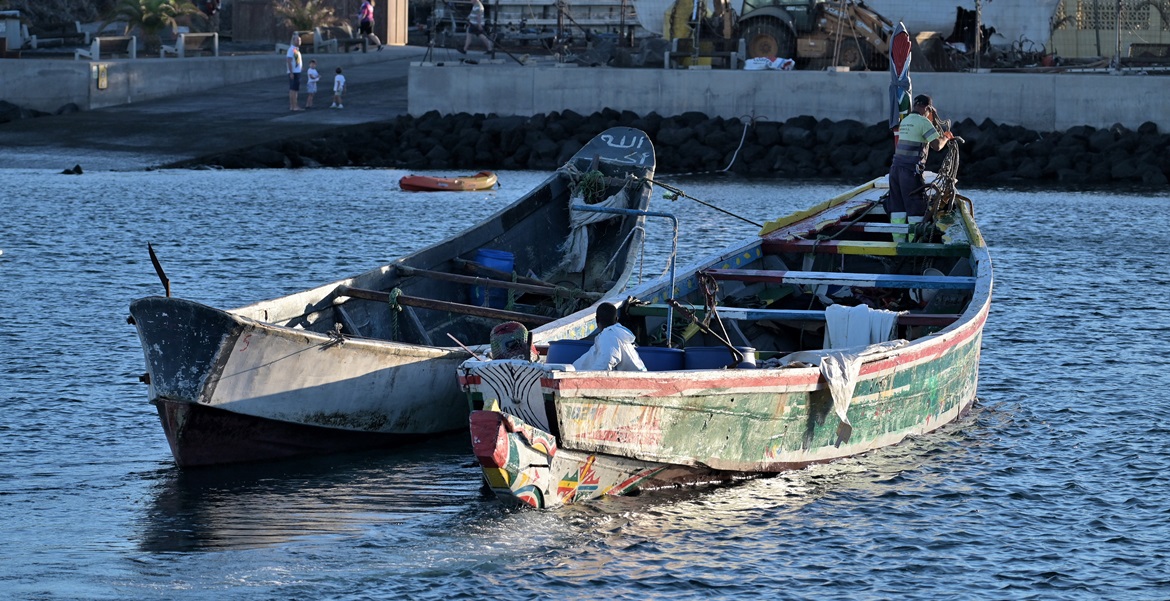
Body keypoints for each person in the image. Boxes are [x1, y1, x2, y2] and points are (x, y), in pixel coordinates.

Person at [886, 94, 953, 239]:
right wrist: (946, 137)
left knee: (898, 209)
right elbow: (937, 146)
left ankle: (898, 242)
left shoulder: (905, 121)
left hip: (895, 170)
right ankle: (913, 244)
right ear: (928, 108)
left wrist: (931, 118)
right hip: (910, 172)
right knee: (915, 208)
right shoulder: (924, 123)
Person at [571, 302, 646, 372]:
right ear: (616, 319)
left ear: (596, 320)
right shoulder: (620, 335)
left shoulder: (609, 336)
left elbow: (606, 362)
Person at [286, 34, 303, 111]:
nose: (299, 41)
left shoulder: (296, 50)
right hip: (294, 73)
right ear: (293, 40)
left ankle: (293, 106)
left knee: (295, 89)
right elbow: (289, 61)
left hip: (297, 72)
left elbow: (296, 61)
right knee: (293, 90)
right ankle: (294, 106)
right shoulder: (291, 49)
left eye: (300, 40)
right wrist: (291, 72)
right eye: (297, 40)